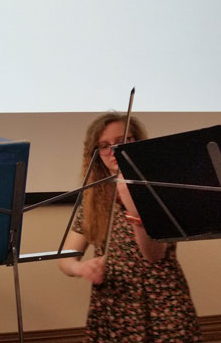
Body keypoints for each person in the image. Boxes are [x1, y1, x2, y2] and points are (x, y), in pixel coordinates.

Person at [57, 113, 201, 342]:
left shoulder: (158, 188)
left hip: (161, 301)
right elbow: (65, 259)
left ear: (138, 142)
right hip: (114, 303)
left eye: (122, 142)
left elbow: (153, 255)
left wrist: (134, 209)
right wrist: (80, 268)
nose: (113, 150)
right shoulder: (95, 196)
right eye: (104, 146)